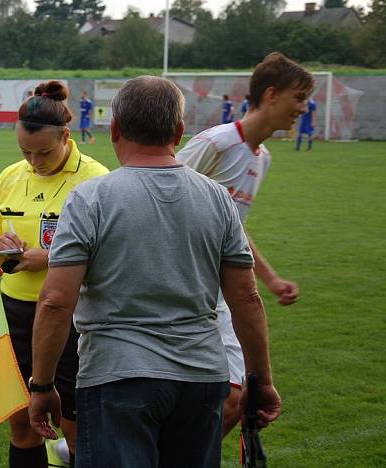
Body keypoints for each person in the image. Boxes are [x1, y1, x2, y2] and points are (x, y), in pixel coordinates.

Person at [28, 76, 280, 468]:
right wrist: (260, 380)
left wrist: (42, 385)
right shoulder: (218, 198)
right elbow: (246, 297)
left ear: (114, 130)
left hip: (115, 377)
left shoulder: (90, 197)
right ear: (179, 132)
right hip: (201, 378)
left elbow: (57, 300)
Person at [177, 51, 310, 436]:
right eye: (298, 98)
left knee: (238, 399)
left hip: (223, 293)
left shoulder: (262, 157)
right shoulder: (215, 144)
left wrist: (269, 279)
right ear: (271, 94)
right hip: (181, 288)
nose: (303, 108)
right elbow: (154, 190)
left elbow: (234, 228)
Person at [0, 81, 108, 468]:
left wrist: (49, 259)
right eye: (25, 151)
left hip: (73, 319)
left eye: (44, 152)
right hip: (14, 314)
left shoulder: (96, 180)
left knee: (76, 429)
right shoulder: (9, 177)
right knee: (22, 425)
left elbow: (110, 257)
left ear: (66, 137)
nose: (34, 161)